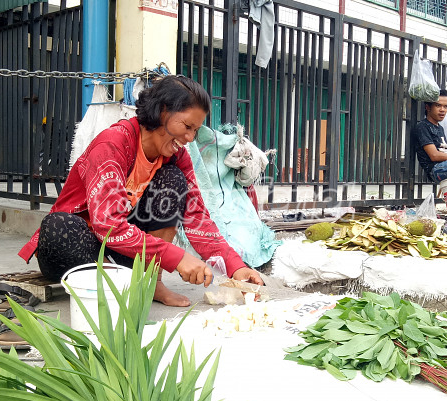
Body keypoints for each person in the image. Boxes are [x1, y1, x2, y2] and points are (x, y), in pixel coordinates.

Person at [18, 75, 263, 307]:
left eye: (195, 131)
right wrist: (175, 256)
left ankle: (150, 282)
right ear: (163, 111)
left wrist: (236, 267)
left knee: (173, 180)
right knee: (59, 227)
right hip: (75, 248)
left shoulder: (177, 157)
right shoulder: (112, 144)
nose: (190, 137)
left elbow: (196, 216)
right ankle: (117, 285)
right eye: (187, 126)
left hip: (123, 249)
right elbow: (108, 226)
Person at [412, 89, 447, 182]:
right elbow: (434, 155)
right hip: (436, 169)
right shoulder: (423, 126)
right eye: (438, 105)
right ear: (428, 107)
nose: (442, 110)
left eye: (445, 106)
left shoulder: (440, 128)